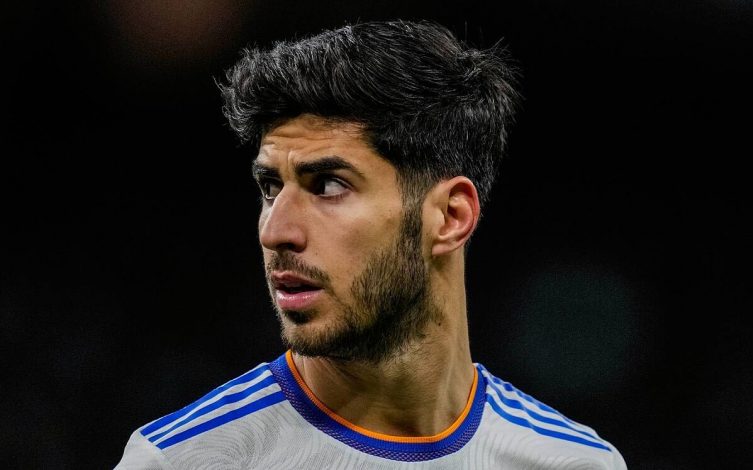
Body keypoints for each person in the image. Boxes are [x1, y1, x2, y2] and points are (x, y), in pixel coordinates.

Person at [115, 19, 627, 469]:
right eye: (270, 187)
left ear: (450, 216)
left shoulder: (576, 463)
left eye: (328, 185)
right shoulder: (181, 460)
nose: (275, 231)